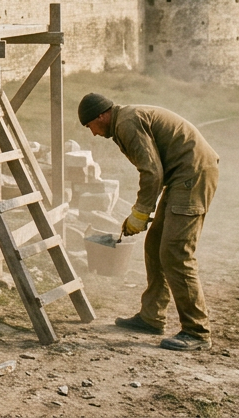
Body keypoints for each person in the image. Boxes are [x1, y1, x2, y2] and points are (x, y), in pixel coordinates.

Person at [79, 92, 220, 351]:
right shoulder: (124, 120)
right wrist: (141, 213)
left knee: (176, 252)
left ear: (101, 116)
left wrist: (140, 213)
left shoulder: (126, 123)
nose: (94, 134)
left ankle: (197, 331)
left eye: (91, 126)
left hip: (192, 175)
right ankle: (152, 316)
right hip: (181, 176)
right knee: (155, 245)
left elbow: (152, 172)